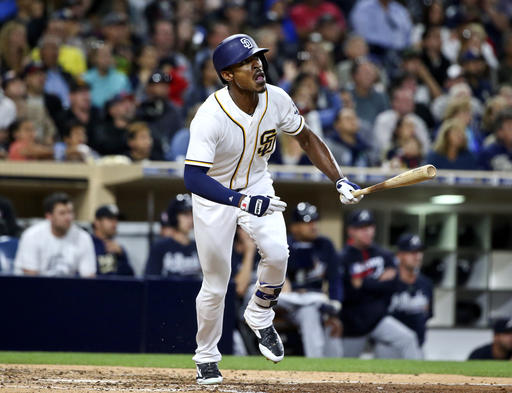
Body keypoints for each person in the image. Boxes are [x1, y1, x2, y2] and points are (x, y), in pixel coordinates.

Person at [183, 34, 362, 384]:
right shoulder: (209, 116)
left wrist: (339, 180)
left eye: (258, 58)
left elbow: (307, 138)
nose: (257, 65)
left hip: (258, 183)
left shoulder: (277, 98)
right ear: (228, 75)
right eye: (246, 62)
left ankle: (261, 313)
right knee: (217, 283)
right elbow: (192, 177)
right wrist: (241, 201)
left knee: (279, 253)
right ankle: (206, 356)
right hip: (215, 195)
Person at [340, 209, 421, 359]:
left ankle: (419, 380)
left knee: (408, 339)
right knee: (343, 366)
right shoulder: (343, 257)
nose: (368, 232)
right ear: (351, 231)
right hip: (352, 324)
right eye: (362, 228)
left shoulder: (384, 254)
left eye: (370, 227)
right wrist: (378, 282)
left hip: (379, 320)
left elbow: (394, 285)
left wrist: (362, 283)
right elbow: (349, 292)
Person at [278, 202, 343, 358]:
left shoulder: (324, 245)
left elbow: (334, 279)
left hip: (314, 302)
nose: (313, 226)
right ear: (294, 227)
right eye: (307, 222)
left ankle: (319, 366)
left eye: (315, 221)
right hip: (287, 301)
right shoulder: (283, 244)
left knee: (310, 311)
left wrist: (334, 308)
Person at [375, 234, 433, 358]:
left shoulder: (426, 283)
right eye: (412, 252)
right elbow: (376, 317)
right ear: (399, 255)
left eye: (419, 252)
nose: (417, 256)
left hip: (417, 347)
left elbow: (428, 315)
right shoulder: (387, 282)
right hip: (388, 348)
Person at [14, 192, 96, 277]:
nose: (68, 218)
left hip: (68, 288)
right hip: (34, 288)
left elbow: (88, 276)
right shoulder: (31, 236)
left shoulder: (83, 237)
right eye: (62, 213)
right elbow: (30, 277)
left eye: (70, 212)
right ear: (49, 216)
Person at [145, 194, 201, 278]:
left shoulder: (198, 247)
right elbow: (151, 279)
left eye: (192, 214)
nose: (190, 219)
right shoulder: (160, 247)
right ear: (174, 217)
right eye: (185, 214)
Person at [91, 204, 133, 277]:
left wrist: (121, 255)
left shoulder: (117, 248)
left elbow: (130, 277)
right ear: (97, 222)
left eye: (116, 219)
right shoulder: (88, 244)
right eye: (110, 219)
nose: (114, 223)